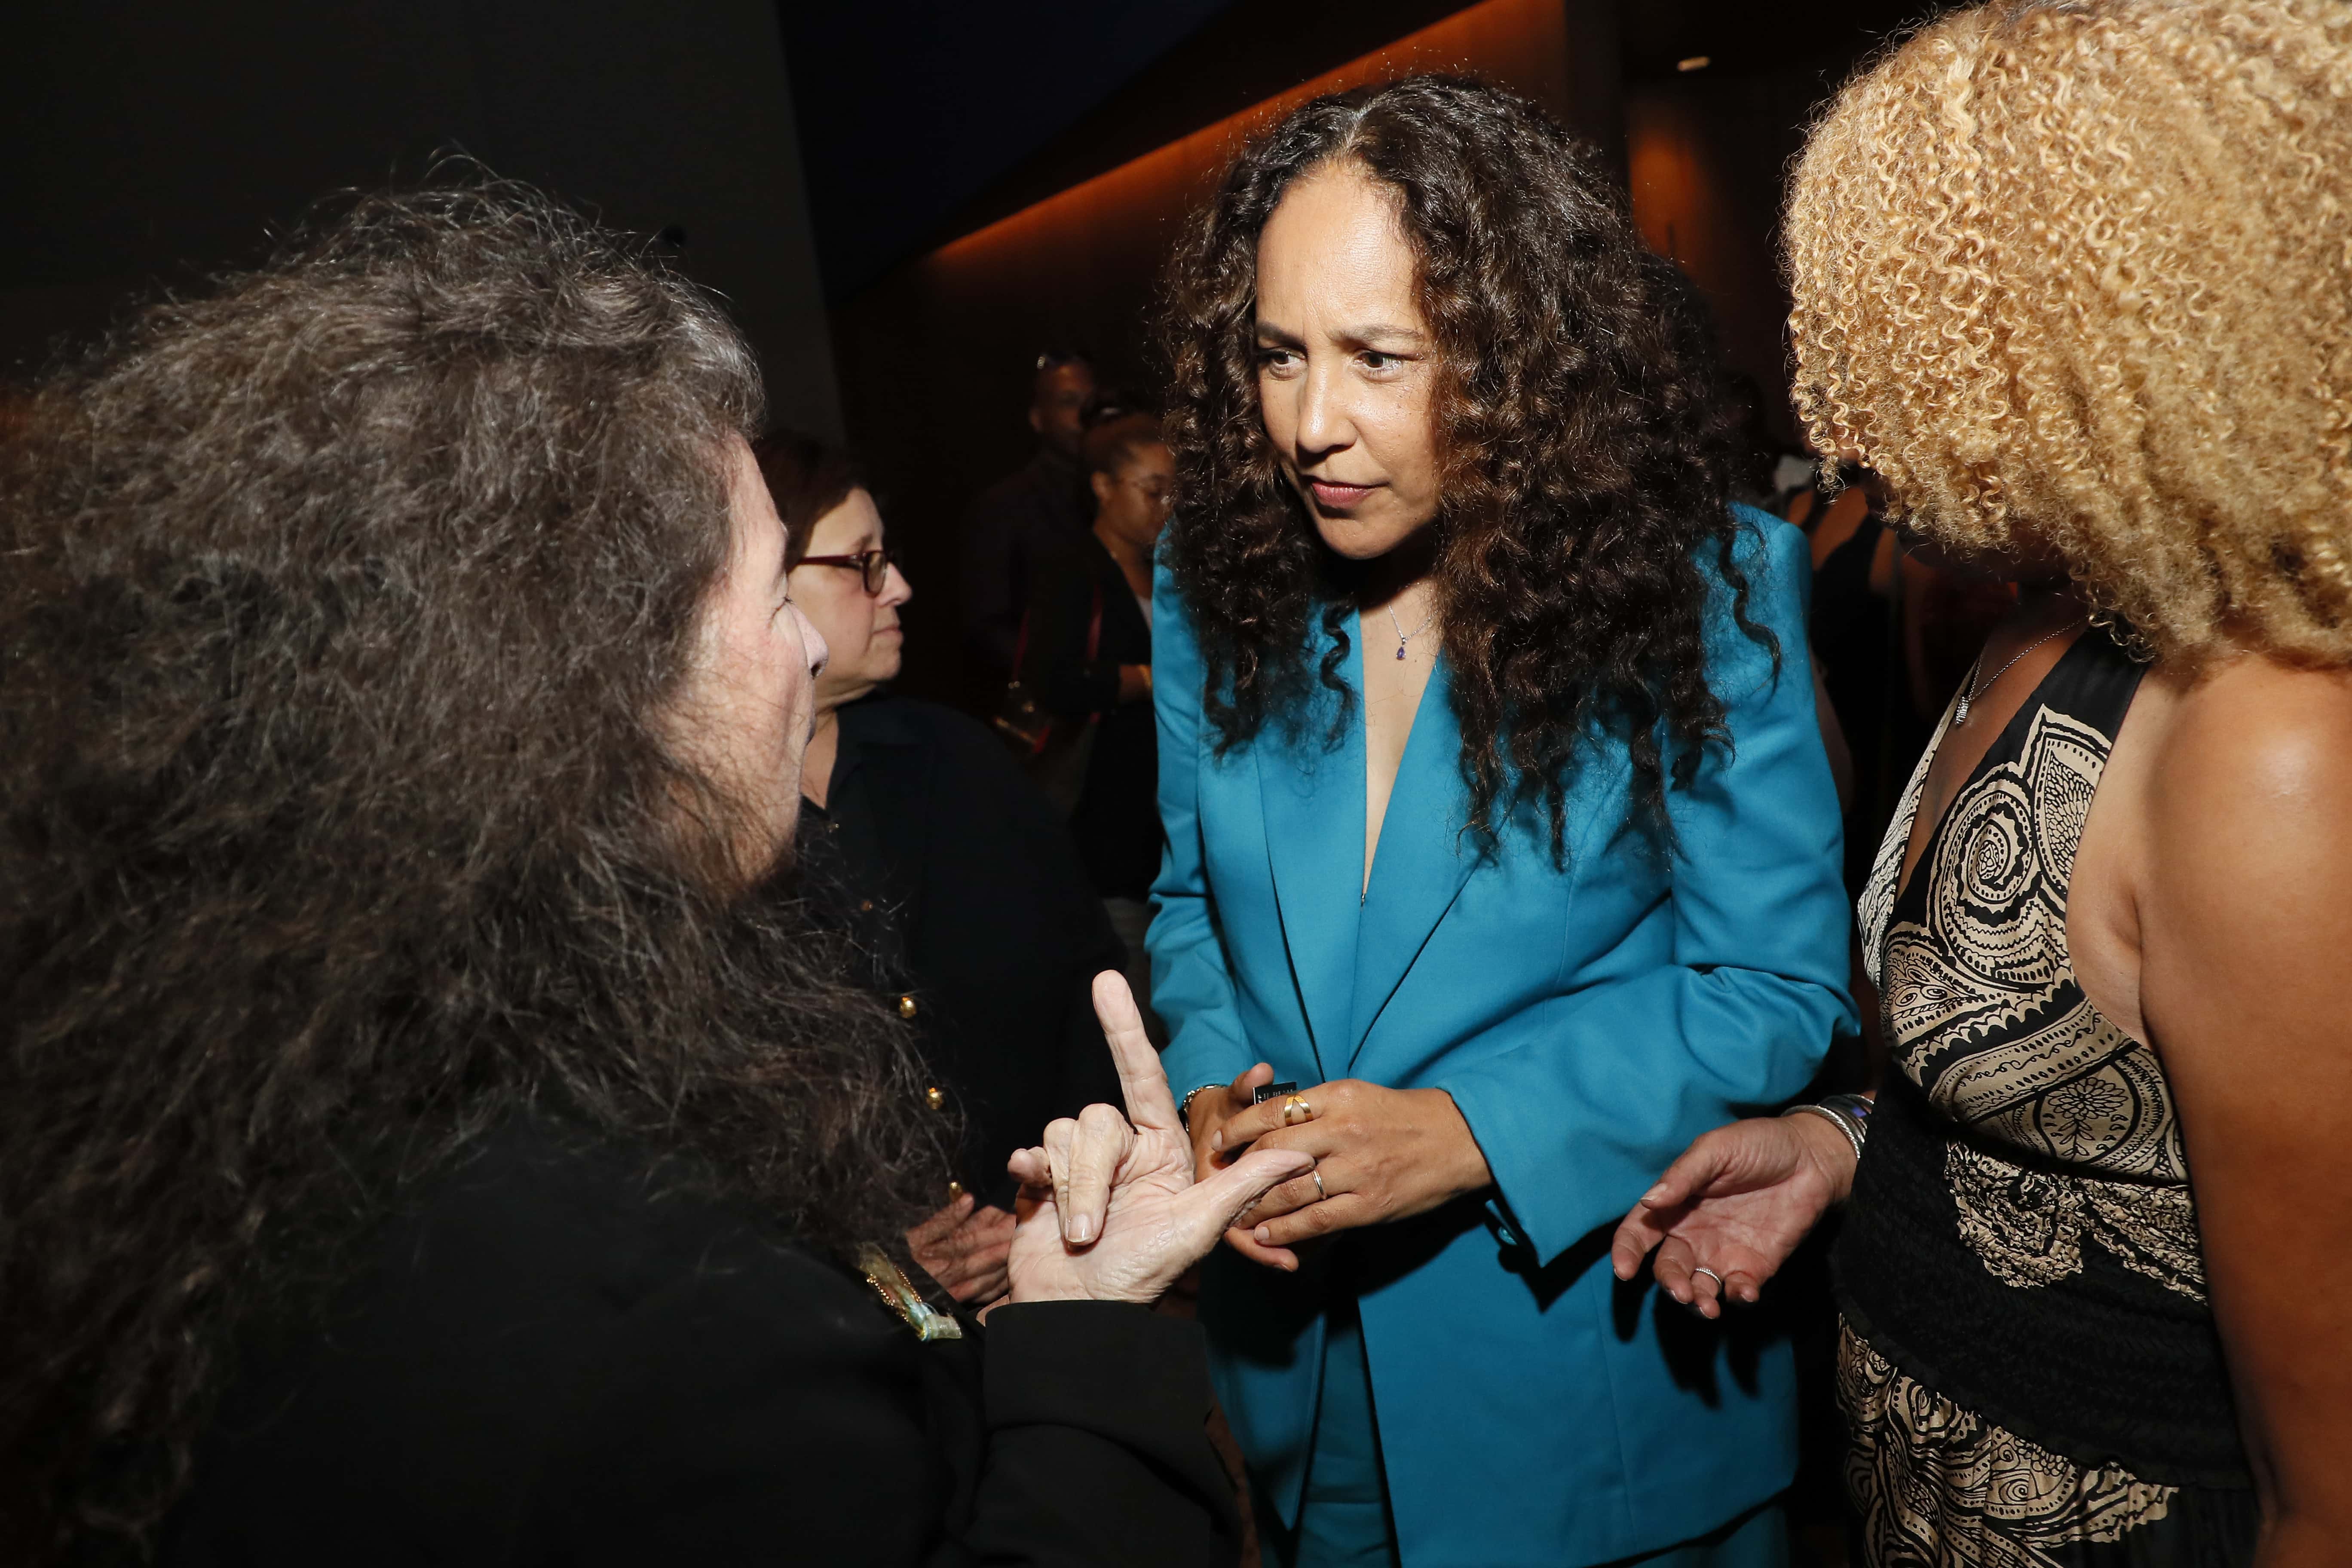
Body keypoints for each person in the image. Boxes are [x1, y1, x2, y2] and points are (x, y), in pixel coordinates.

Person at [0, 180, 1311, 1567]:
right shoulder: (672, 1318)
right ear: (582, 695)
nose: (812, 650)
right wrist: (1095, 1350)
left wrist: (1046, 1296)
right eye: (766, 599)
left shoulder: (252, 1093)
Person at [1613, 4, 2352, 1564]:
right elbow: (2079, 1083)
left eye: (1903, 320)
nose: (1837, 407)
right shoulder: (2043, 615)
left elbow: (2329, 1487)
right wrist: (1840, 1144)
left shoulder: (2267, 742)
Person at [1152, 77, 1856, 1568]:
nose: (1312, 424)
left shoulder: (1697, 586)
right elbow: (1191, 909)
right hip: (1298, 1397)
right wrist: (1218, 1085)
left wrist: (1476, 1132)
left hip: (1590, 1406)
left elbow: (1775, 991)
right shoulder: (1209, 574)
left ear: (1522, 360)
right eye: (1278, 356)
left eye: (1379, 358)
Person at [753, 430, 1128, 1304]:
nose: (901, 589)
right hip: (848, 1322)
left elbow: (1088, 980)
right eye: (864, 563)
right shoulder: (689, 833)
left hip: (1061, 1265)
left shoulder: (960, 761)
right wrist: (888, 1279)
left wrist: (1060, 1205)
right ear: (758, 580)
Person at [1019, 404, 1172, 1038]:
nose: (1168, 506)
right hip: (1107, 815)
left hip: (1167, 810)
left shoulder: (1174, 571)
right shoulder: (1073, 570)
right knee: (1132, 994)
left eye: (1176, 491)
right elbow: (1050, 677)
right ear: (1105, 489)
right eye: (1153, 490)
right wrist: (1146, 680)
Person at [959, 349, 1098, 698]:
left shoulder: (1125, 490)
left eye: (1091, 401)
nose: (1085, 414)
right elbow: (986, 624)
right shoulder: (1004, 506)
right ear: (1038, 418)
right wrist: (1063, 677)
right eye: (1069, 402)